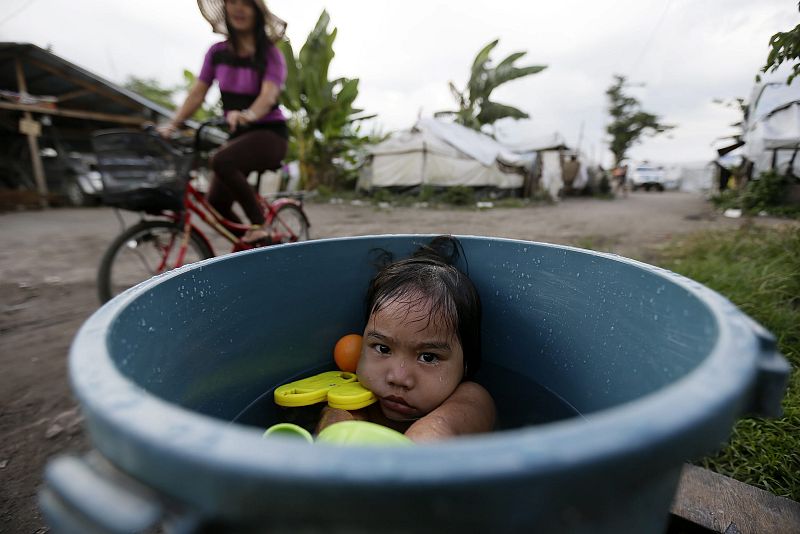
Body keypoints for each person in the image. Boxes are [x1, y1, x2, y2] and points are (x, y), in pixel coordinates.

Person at [316, 236, 496, 443]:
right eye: (383, 348)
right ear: (360, 348)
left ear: (466, 364)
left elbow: (437, 434)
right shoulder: (347, 395)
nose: (398, 377)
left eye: (428, 357)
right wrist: (339, 415)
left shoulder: (472, 398)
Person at [159, 0, 288, 244]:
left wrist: (248, 115)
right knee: (216, 202)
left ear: (257, 13)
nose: (238, 8)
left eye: (246, 4)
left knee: (221, 160)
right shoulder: (216, 53)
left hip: (270, 134)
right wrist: (173, 124)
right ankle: (257, 245)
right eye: (232, 2)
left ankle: (260, 225)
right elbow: (197, 93)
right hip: (237, 135)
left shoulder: (270, 54)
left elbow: (268, 94)